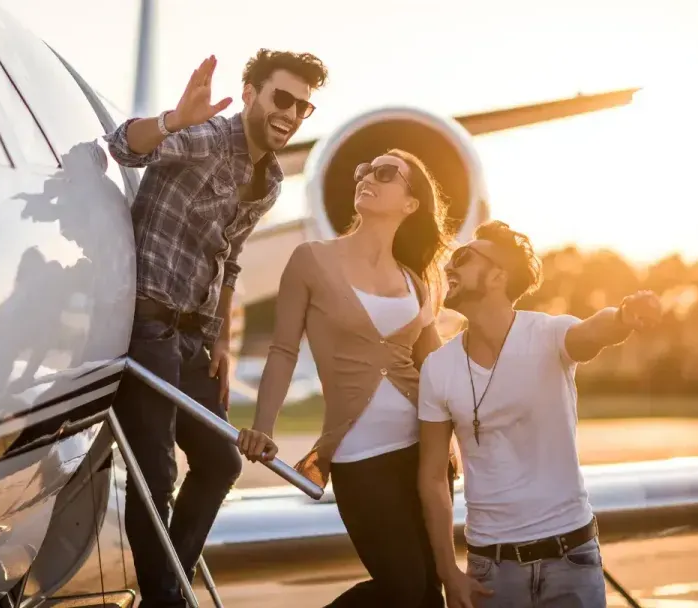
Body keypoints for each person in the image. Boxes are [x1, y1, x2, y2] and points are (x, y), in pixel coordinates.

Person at [104, 49, 328, 607]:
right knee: (155, 475)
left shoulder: (270, 179)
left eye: (304, 107)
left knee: (221, 461)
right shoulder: (206, 137)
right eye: (282, 98)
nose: (292, 113)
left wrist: (222, 340)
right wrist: (173, 120)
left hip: (194, 338)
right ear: (250, 93)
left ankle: (164, 591)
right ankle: (168, 598)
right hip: (148, 325)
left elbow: (229, 258)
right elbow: (124, 148)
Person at [237, 150, 460, 607]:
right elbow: (283, 351)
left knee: (428, 594)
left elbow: (436, 366)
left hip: (425, 452)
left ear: (411, 204)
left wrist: (468, 429)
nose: (365, 177)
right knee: (401, 588)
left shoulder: (416, 279)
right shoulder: (311, 260)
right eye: (363, 169)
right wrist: (263, 425)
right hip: (361, 458)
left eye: (383, 173)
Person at [416, 220, 663, 608]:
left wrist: (623, 317)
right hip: (491, 569)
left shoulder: (549, 335)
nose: (450, 266)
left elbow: (592, 332)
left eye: (463, 258)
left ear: (498, 276)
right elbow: (432, 477)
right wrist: (449, 572)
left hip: (572, 558)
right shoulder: (437, 368)